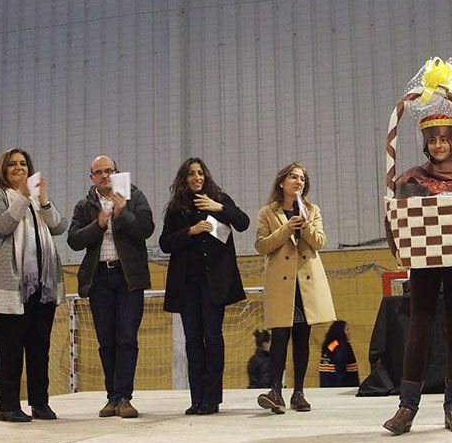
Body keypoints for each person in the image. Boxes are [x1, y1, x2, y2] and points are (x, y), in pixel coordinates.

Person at [383, 113, 452, 435]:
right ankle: (407, 407)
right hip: (424, 260)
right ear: (425, 144)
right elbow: (398, 216)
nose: (438, 146)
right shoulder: (412, 178)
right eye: (432, 140)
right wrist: (397, 245)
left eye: (444, 139)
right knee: (419, 324)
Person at [0, 148, 67, 422]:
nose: (19, 168)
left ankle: (40, 403)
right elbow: (3, 225)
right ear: (3, 170)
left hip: (43, 286)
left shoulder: (36, 201)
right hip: (11, 286)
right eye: (13, 164)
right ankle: (8, 407)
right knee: (10, 347)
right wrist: (23, 197)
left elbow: (59, 226)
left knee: (39, 347)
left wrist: (43, 200)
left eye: (23, 164)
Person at [159, 157, 249, 415]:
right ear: (184, 179)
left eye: (200, 173)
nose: (196, 177)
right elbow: (165, 243)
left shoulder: (219, 199)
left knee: (213, 336)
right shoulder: (177, 209)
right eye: (191, 174)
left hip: (214, 284)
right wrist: (191, 231)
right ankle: (196, 398)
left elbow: (243, 223)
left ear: (206, 176)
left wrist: (218, 207)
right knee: (192, 340)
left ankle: (212, 398)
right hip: (187, 284)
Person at [67, 155, 154, 418]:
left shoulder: (134, 197)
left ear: (117, 173)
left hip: (128, 278)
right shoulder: (85, 205)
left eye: (109, 171)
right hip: (99, 280)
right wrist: (99, 224)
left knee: (126, 337)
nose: (105, 175)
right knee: (106, 341)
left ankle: (124, 397)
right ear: (92, 177)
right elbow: (73, 240)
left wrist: (123, 214)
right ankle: (111, 397)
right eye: (99, 172)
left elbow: (147, 229)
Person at [254, 162, 336, 414]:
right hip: (281, 284)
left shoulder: (312, 209)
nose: (298, 181)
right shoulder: (268, 212)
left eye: (302, 178)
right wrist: (286, 228)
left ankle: (298, 393)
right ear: (282, 182)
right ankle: (275, 391)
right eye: (293, 177)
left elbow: (319, 242)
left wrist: (307, 225)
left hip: (306, 283)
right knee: (280, 336)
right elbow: (261, 245)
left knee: (302, 337)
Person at [319, 320, 360, 387]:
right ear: (340, 331)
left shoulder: (331, 345)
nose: (349, 332)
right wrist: (341, 386)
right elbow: (340, 367)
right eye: (347, 330)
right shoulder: (342, 346)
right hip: (339, 387)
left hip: (326, 384)